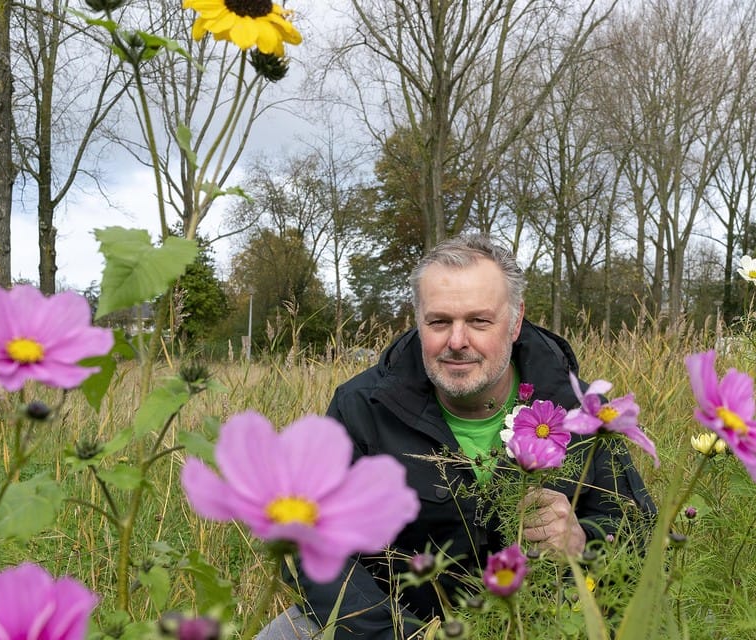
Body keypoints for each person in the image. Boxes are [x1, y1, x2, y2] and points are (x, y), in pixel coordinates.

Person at [257, 234, 656, 639]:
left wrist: (580, 541)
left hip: (539, 624)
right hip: (394, 625)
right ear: (418, 320)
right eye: (439, 321)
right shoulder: (361, 407)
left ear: (515, 321)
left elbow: (637, 531)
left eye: (479, 321)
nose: (457, 341)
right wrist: (396, 633)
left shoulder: (578, 409)